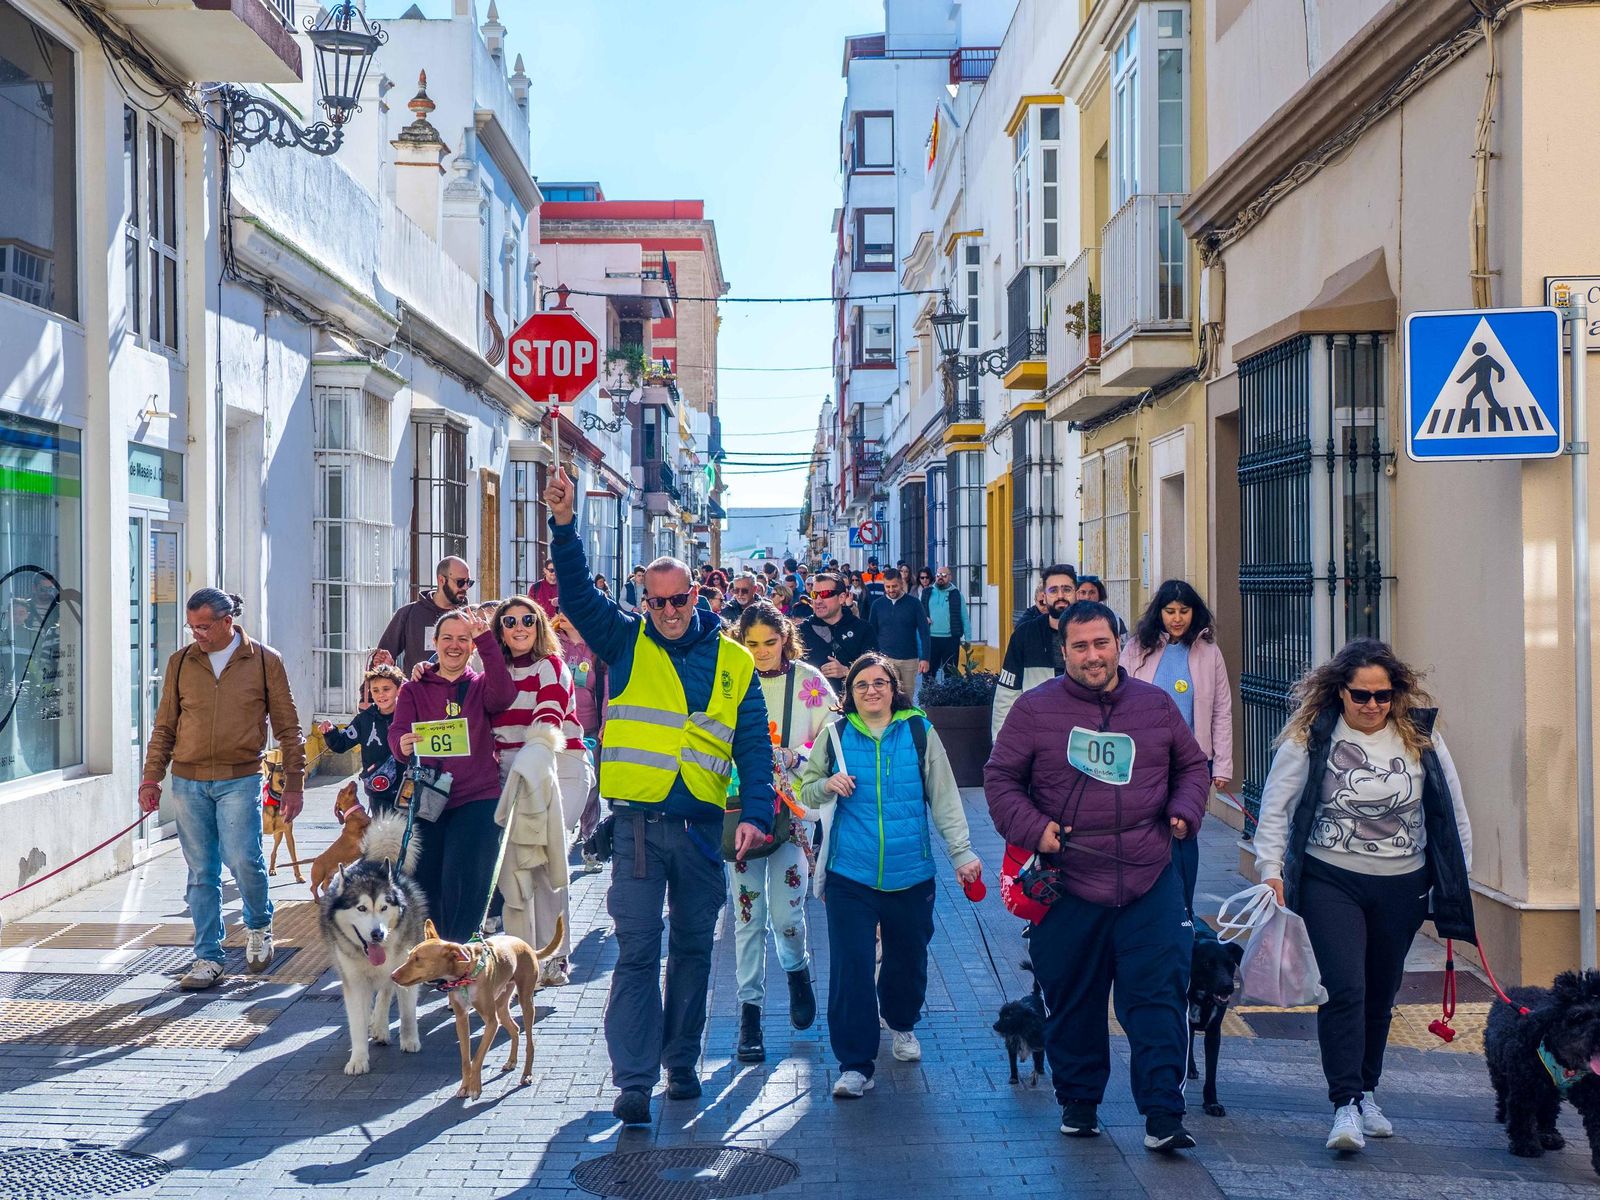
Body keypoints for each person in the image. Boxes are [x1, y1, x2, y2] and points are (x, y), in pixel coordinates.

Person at [544, 465, 776, 1127]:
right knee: (639, 950)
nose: (669, 612)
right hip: (639, 830)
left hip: (703, 832)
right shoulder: (626, 638)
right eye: (658, 602)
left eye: (679, 601)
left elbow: (753, 747)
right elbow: (580, 596)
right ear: (644, 601)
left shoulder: (734, 661)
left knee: (695, 951)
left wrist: (757, 814)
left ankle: (680, 1062)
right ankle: (634, 1081)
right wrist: (566, 524)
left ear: (697, 594)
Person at [985, 600, 1210, 1153]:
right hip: (1069, 883)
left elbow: (1193, 767)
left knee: (1158, 999)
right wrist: (1035, 830)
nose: (1092, 655)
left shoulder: (1155, 707)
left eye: (1101, 643)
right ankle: (1079, 1103)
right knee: (1074, 1001)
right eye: (1080, 646)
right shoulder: (1034, 711)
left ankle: (1162, 1114)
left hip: (1149, 877)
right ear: (1063, 651)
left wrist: (1186, 808)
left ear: (1118, 645)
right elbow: (1000, 780)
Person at [1251, 638, 1473, 1152]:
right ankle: (1344, 1104)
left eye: (1383, 694)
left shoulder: (1421, 738)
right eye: (1361, 695)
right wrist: (1270, 870)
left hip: (1404, 884)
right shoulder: (1311, 738)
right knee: (1345, 987)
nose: (1372, 705)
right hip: (1332, 880)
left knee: (1380, 992)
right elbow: (1276, 809)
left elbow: (1454, 813)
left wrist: (1459, 882)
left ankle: (1368, 1090)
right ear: (1340, 693)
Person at [799, 652, 981, 1100]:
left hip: (911, 873)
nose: (871, 691)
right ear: (851, 693)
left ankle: (901, 1023)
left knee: (907, 960)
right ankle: (855, 1065)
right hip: (850, 874)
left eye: (879, 683)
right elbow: (804, 790)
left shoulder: (919, 731)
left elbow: (943, 795)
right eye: (861, 685)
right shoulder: (835, 735)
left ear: (893, 688)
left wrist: (962, 853)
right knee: (851, 968)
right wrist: (826, 786)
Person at [139, 589, 305, 990]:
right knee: (201, 872)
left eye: (204, 627)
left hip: (241, 776)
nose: (197, 634)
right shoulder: (182, 662)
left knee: (243, 858)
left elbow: (288, 727)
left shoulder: (264, 661)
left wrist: (295, 785)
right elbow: (165, 726)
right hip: (188, 779)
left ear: (228, 621)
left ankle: (259, 925)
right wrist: (151, 777)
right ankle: (207, 957)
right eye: (191, 627)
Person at [728, 601, 835, 1063]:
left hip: (792, 815)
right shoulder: (726, 677)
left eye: (770, 643)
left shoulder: (809, 680)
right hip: (739, 813)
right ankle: (749, 1016)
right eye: (751, 644)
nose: (761, 652)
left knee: (788, 915)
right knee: (747, 917)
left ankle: (797, 970)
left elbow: (833, 734)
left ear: (785, 638)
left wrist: (798, 754)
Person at [388, 608, 516, 942]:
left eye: (464, 639)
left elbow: (504, 695)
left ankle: (459, 951)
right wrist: (401, 744)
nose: (455, 645)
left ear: (472, 647)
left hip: (477, 796)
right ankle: (434, 952)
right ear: (435, 642)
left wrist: (486, 638)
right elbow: (398, 731)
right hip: (430, 797)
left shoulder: (480, 686)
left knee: (466, 876)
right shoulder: (414, 689)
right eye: (447, 638)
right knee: (428, 877)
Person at [487, 595, 590, 987]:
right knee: (516, 866)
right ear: (500, 630)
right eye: (509, 622)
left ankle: (554, 955)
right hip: (509, 773)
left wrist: (533, 754)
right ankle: (523, 955)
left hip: (558, 765)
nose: (519, 628)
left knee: (547, 860)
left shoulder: (552, 665)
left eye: (528, 620)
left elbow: (548, 714)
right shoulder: (491, 672)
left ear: (540, 625)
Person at [1120, 580, 1234, 917]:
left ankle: (1182, 909)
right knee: (1148, 829)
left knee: (1184, 830)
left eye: (1184, 611)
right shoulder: (1138, 647)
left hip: (1192, 762)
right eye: (1170, 611)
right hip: (1145, 760)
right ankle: (1149, 904)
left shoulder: (1208, 652)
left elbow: (1221, 710)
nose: (1177, 618)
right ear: (1160, 612)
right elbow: (1119, 697)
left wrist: (1223, 765)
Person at [991, 565, 1077, 739]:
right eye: (1053, 590)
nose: (1060, 596)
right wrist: (1000, 743)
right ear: (1044, 597)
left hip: (1083, 736)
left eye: (1066, 589)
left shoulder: (1092, 632)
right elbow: (1007, 695)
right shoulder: (1025, 635)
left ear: (1076, 593)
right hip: (1039, 735)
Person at [317, 663, 407, 813]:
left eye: (386, 689)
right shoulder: (364, 719)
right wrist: (330, 731)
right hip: (379, 790)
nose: (381, 695)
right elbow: (341, 743)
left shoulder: (409, 716)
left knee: (411, 832)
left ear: (398, 690)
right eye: (375, 690)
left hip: (408, 787)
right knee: (383, 833)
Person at [553, 612, 607, 853]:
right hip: (558, 728)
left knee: (590, 785)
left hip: (590, 727)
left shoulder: (597, 647)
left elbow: (606, 688)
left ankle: (589, 840)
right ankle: (560, 832)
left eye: (569, 610)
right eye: (560, 610)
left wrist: (607, 721)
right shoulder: (551, 642)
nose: (563, 615)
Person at [378, 557, 473, 671]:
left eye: (469, 582)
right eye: (460, 582)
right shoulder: (408, 613)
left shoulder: (472, 618)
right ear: (441, 580)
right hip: (416, 687)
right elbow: (381, 661)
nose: (465, 587)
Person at [798, 572, 876, 684]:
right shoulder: (801, 632)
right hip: (812, 700)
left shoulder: (863, 629)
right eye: (814, 595)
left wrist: (847, 672)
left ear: (841, 598)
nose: (818, 601)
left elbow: (875, 671)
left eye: (825, 594)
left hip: (852, 699)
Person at [865, 569, 929, 700]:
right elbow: (871, 633)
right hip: (885, 660)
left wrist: (925, 658)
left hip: (909, 659)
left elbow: (924, 632)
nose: (891, 589)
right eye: (887, 586)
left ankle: (906, 721)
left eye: (894, 586)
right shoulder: (877, 605)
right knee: (887, 697)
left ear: (901, 583)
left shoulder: (914, 604)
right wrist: (872, 657)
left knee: (907, 699)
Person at [922, 566, 968, 679]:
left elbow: (964, 617)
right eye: (938, 575)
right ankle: (928, 696)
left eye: (944, 575)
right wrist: (924, 617)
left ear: (950, 577)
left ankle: (949, 696)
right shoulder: (926, 593)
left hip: (951, 639)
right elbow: (918, 612)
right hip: (931, 639)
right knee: (929, 674)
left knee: (951, 674)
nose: (940, 578)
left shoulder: (956, 594)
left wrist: (968, 638)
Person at [1074, 575, 1127, 643]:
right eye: (1083, 592)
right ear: (1076, 594)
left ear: (1100, 594)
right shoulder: (1068, 618)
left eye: (1092, 592)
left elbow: (1124, 646)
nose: (1087, 597)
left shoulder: (1114, 619)